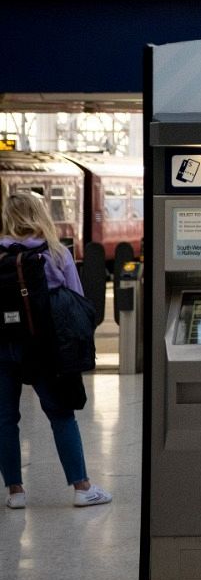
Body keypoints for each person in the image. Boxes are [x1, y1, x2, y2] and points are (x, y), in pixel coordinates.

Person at [1, 191, 112, 508]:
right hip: (45, 349)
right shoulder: (55, 253)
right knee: (61, 415)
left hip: (3, 348)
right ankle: (82, 487)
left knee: (5, 420)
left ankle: (16, 493)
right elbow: (77, 304)